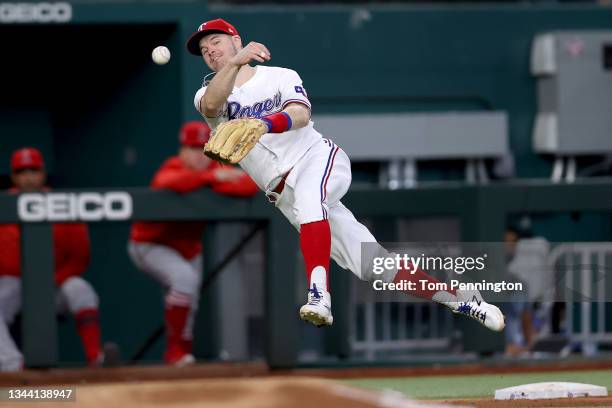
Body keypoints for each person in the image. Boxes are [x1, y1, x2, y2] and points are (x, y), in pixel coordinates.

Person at [186, 19, 505, 332]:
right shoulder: (206, 95)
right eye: (203, 49)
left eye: (216, 41)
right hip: (284, 193)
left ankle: (318, 294)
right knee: (373, 265)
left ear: (237, 41)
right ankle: (461, 300)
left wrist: (266, 123)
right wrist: (234, 68)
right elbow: (213, 105)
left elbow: (300, 114)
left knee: (312, 200)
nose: (210, 50)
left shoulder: (281, 76)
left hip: (317, 159)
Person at [128, 121, 258, 366]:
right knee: (184, 280)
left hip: (188, 248)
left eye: (203, 148)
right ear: (182, 151)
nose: (199, 155)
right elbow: (168, 182)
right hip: (150, 244)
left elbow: (249, 185)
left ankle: (183, 354)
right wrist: (212, 177)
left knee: (191, 297)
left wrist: (212, 178)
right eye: (193, 148)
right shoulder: (173, 166)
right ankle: (174, 351)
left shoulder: (215, 167)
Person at [0, 148, 108, 371]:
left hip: (55, 282)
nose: (28, 176)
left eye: (33, 170)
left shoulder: (63, 203)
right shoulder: (3, 204)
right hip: (13, 283)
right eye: (22, 171)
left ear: (43, 174)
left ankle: (95, 357)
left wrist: (52, 279)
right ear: (13, 177)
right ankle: (12, 365)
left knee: (80, 289)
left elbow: (80, 258)